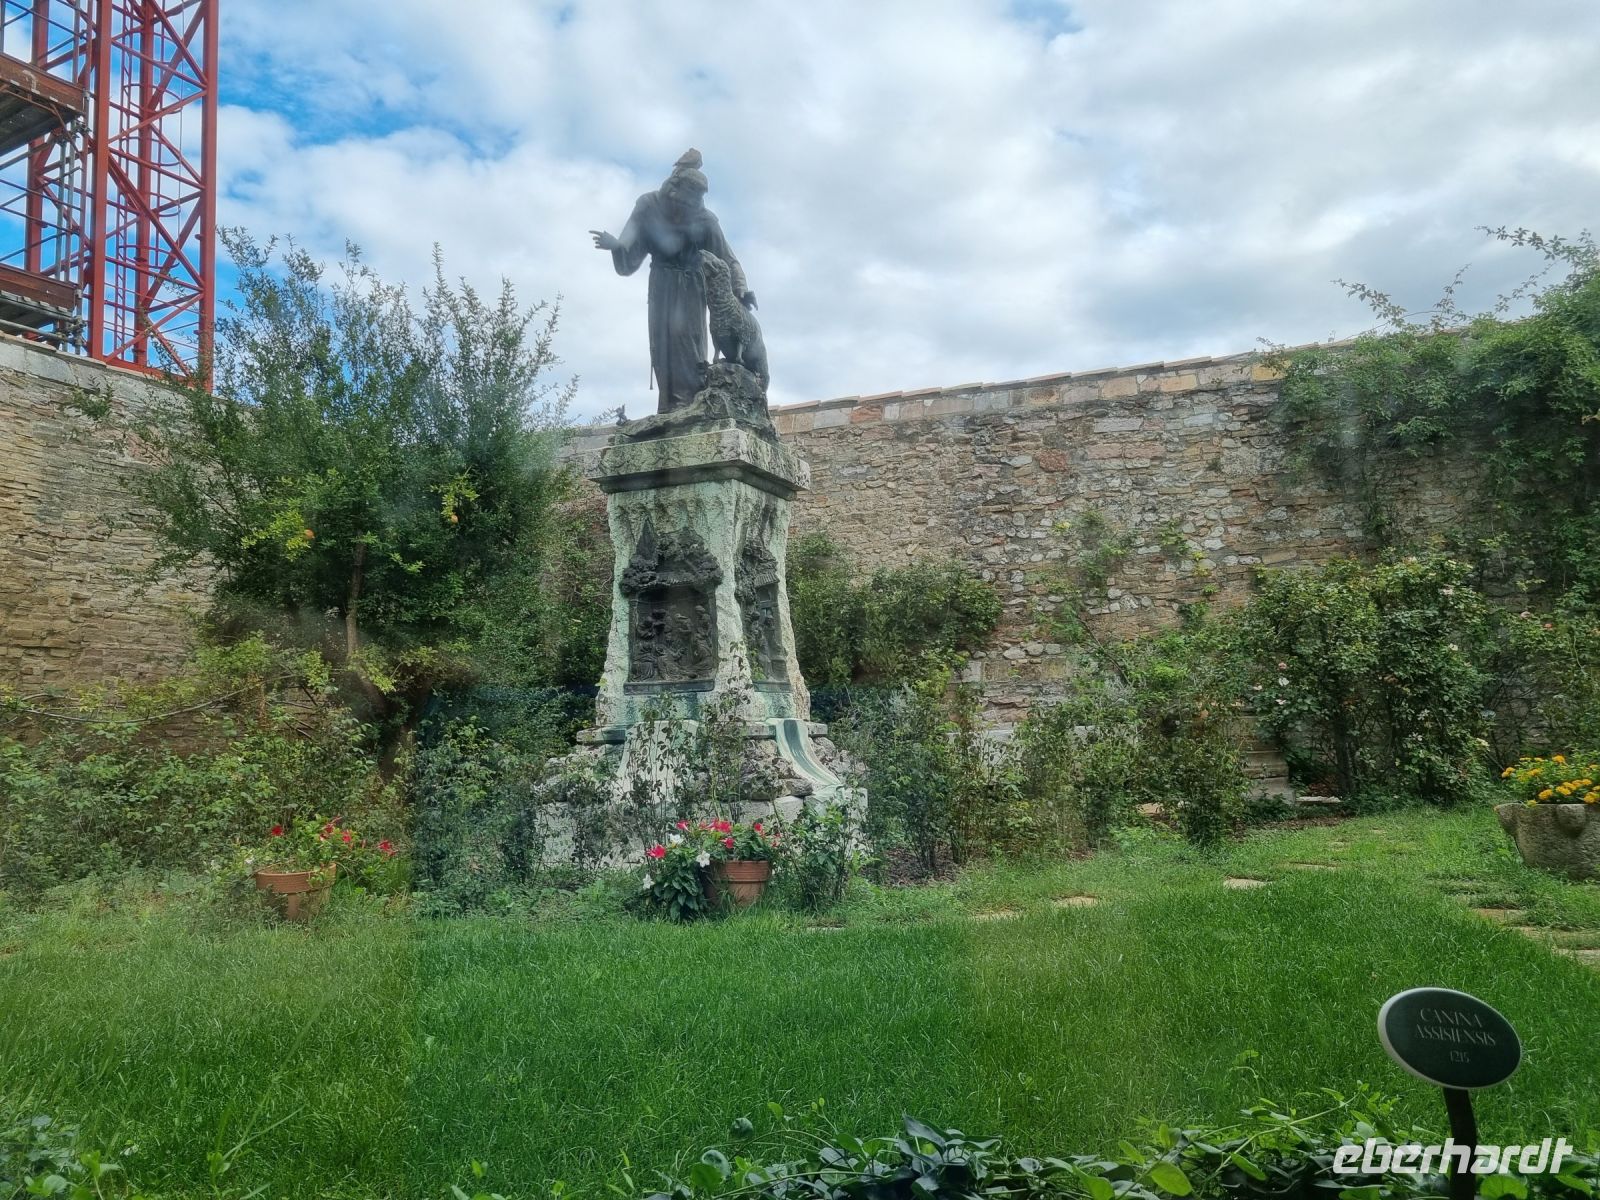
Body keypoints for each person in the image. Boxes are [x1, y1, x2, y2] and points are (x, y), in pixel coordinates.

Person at [591, 149, 757, 414]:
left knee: (687, 342)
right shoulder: (648, 206)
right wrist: (616, 246)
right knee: (662, 344)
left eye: (696, 202)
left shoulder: (705, 220)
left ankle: (691, 404)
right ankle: (669, 408)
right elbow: (629, 249)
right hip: (661, 285)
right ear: (674, 191)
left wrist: (741, 289)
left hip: (692, 286)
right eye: (687, 201)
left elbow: (727, 259)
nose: (689, 207)